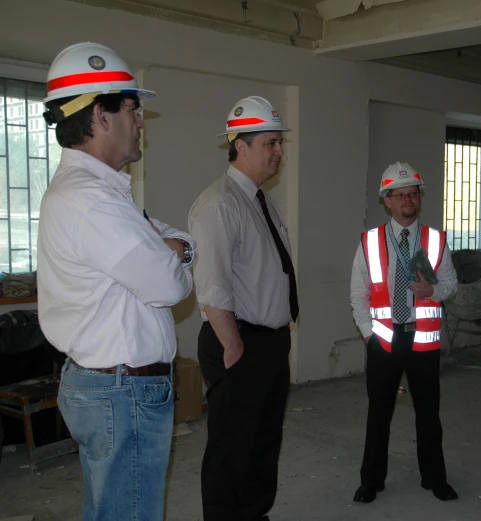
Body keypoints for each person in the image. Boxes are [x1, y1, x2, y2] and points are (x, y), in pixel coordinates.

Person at [37, 42, 196, 521]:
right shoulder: (93, 202)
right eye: (133, 108)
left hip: (111, 388)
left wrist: (175, 248)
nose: (141, 121)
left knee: (112, 510)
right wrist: (178, 252)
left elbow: (166, 241)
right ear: (100, 116)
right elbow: (169, 285)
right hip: (122, 393)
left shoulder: (98, 194)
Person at [188, 96, 297, 521]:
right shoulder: (219, 203)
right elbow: (212, 283)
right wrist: (233, 346)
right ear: (242, 146)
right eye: (271, 143)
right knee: (231, 447)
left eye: (279, 143)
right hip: (238, 341)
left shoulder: (260, 199)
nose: (279, 151)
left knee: (264, 440)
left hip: (268, 341)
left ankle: (253, 513)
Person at [349, 162, 458, 503]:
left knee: (429, 413)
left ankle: (434, 478)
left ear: (419, 197)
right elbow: (358, 293)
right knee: (379, 413)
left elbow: (451, 285)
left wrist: (432, 292)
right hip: (384, 339)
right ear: (387, 201)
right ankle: (371, 481)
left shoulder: (436, 240)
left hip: (423, 340)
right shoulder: (369, 241)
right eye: (400, 195)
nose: (408, 199)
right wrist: (369, 335)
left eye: (413, 192)